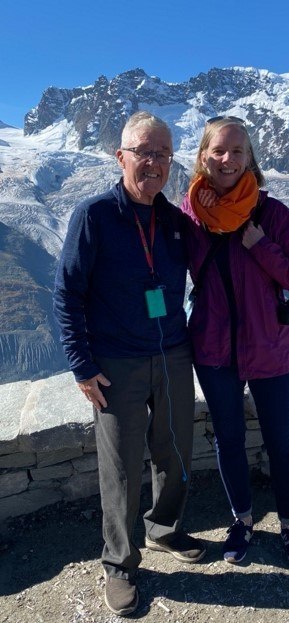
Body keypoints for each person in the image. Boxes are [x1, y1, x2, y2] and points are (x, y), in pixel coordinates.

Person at [53, 111, 205, 617]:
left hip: (172, 353)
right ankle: (119, 564)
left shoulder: (177, 223)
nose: (154, 162)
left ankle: (164, 529)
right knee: (120, 468)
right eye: (144, 151)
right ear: (121, 157)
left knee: (177, 449)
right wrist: (80, 364)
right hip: (115, 361)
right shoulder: (94, 216)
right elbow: (68, 293)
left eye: (163, 154)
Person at [180, 116, 289, 569]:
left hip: (270, 349)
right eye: (219, 150)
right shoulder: (190, 217)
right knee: (228, 440)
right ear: (202, 156)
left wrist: (260, 245)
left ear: (250, 158)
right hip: (214, 351)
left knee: (281, 442)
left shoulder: (272, 215)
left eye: (238, 151)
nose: (228, 159)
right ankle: (242, 519)